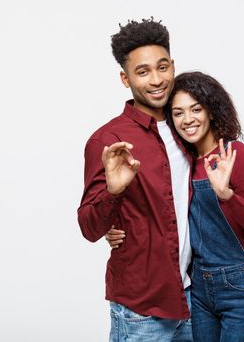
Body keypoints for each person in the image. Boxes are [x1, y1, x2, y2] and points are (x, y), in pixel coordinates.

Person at [107, 72, 244, 341]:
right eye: (178, 113)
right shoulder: (184, 161)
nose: (188, 119)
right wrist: (118, 227)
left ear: (211, 110)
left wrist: (226, 195)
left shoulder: (235, 156)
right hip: (200, 288)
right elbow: (166, 212)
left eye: (196, 109)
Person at [77, 18, 193, 341]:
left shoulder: (189, 127)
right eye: (143, 72)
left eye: (162, 67)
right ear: (125, 79)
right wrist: (113, 193)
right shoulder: (108, 140)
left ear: (173, 66)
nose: (156, 80)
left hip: (193, 300)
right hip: (141, 312)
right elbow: (89, 226)